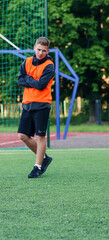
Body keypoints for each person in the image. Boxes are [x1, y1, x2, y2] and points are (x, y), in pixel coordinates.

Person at [17, 36, 55, 178]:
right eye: (39, 50)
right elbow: (20, 80)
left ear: (47, 51)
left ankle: (38, 167)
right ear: (34, 48)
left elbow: (41, 85)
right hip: (27, 103)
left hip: (42, 104)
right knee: (22, 135)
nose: (40, 53)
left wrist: (28, 78)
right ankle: (44, 158)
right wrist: (30, 80)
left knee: (40, 136)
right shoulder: (26, 62)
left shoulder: (49, 66)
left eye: (44, 51)